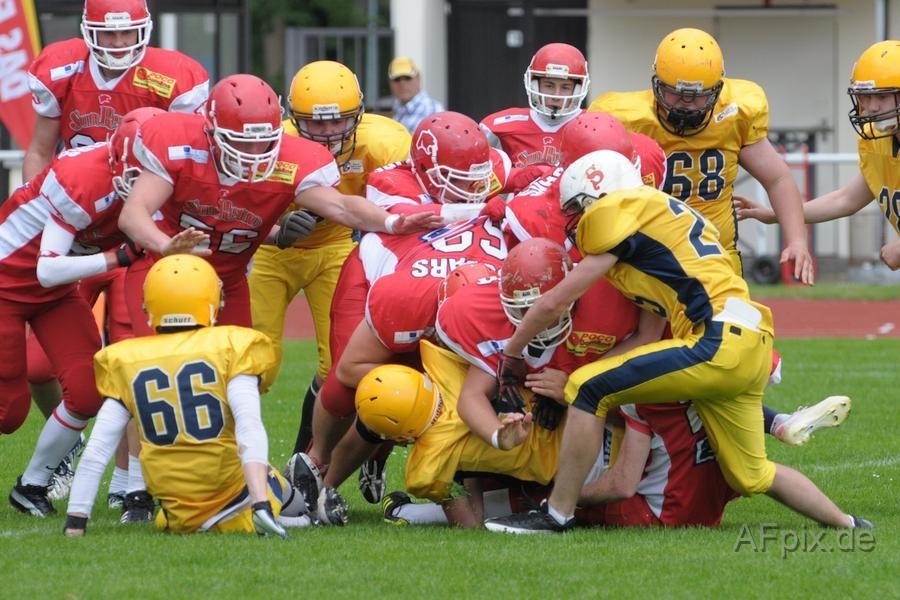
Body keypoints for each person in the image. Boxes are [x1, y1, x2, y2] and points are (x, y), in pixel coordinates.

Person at [482, 150, 872, 534]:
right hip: (751, 342)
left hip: (717, 339)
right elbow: (651, 323)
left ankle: (557, 514)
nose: (576, 221)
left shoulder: (617, 210)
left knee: (585, 387)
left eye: (577, 209)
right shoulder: (663, 217)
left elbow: (554, 301)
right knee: (753, 476)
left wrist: (512, 354)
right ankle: (849, 523)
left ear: (595, 198)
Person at [23, 0, 209, 505]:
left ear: (146, 31)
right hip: (78, 228)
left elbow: (186, 164)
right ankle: (67, 443)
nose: (121, 44)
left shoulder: (175, 78)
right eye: (110, 35)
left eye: (130, 35)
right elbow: (40, 149)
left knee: (134, 353)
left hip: (141, 233)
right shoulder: (60, 67)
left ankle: (131, 485)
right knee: (39, 367)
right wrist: (45, 211)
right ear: (87, 32)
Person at [118, 74, 441, 338]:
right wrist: (166, 246)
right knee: (156, 365)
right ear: (212, 131)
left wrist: (391, 223)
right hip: (164, 270)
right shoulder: (180, 144)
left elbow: (342, 207)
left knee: (241, 371)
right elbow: (133, 214)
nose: (254, 152)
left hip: (229, 278)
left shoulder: (292, 158)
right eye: (242, 142)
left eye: (265, 141)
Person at [63, 254, 345, 537]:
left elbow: (97, 450)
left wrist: (76, 522)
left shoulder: (126, 359)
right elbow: (249, 427)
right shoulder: (231, 345)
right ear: (211, 301)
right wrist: (260, 502)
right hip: (235, 498)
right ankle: (303, 512)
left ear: (149, 304)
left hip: (177, 512)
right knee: (294, 501)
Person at [4, 108, 169, 518]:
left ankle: (32, 485)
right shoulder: (80, 177)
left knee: (87, 390)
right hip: (8, 282)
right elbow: (47, 267)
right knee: (8, 413)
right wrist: (118, 256)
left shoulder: (161, 173)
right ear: (117, 161)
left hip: (55, 295)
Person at [248, 61, 411, 459]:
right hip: (272, 251)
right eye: (314, 123)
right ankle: (237, 464)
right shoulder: (272, 141)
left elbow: (408, 195)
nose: (326, 133)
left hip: (335, 248)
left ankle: (306, 461)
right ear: (292, 118)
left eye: (337, 121)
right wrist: (275, 229)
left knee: (338, 365)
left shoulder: (384, 140)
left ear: (358, 113)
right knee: (254, 364)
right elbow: (240, 204)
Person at [588, 27, 813, 284]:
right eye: (677, 92)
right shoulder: (626, 118)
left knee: (725, 324)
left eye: (698, 95)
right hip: (646, 254)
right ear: (657, 83)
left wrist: (797, 240)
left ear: (717, 88)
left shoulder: (735, 112)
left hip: (715, 255)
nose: (687, 102)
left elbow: (778, 179)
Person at [736, 40, 900, 270]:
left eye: (882, 97)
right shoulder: (879, 142)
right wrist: (777, 214)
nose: (872, 107)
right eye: (866, 96)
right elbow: (845, 200)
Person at [480, 43, 589, 168]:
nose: (556, 95)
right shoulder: (498, 128)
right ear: (534, 85)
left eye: (565, 87)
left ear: (578, 89)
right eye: (549, 85)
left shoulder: (592, 127)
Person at [388, 56, 445, 134]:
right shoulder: (396, 107)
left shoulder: (433, 110)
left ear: (418, 79)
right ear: (390, 83)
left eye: (407, 78)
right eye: (397, 79)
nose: (402, 84)